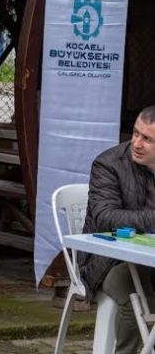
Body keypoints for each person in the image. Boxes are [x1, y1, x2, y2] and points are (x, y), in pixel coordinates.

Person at [80, 105, 155, 354]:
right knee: (140, 293)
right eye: (135, 133)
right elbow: (105, 217)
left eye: (147, 139)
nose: (137, 143)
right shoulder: (109, 164)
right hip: (108, 260)